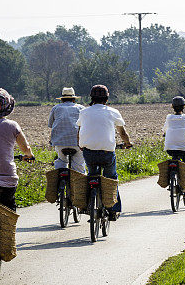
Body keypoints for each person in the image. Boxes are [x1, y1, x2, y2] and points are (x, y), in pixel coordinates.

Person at [76, 85, 132, 220]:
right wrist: (127, 143)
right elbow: (122, 132)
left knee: (91, 175)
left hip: (89, 152)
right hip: (107, 152)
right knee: (111, 178)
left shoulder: (84, 112)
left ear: (92, 98)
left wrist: (81, 145)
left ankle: (87, 206)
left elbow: (79, 132)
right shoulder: (113, 111)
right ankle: (114, 210)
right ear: (107, 98)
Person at [48, 87, 86, 173]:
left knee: (61, 161)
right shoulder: (81, 108)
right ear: (73, 99)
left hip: (59, 142)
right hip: (77, 143)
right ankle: (78, 182)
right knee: (78, 165)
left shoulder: (55, 108)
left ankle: (59, 177)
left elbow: (50, 125)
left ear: (62, 99)